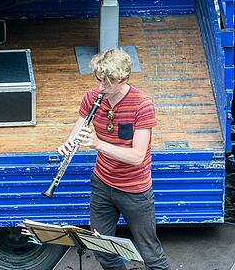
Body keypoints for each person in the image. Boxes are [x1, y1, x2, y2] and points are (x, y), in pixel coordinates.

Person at [58, 49, 170, 270]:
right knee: (101, 248)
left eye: (108, 83)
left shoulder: (142, 104)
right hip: (102, 183)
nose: (101, 88)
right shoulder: (92, 97)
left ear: (124, 78)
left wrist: (98, 144)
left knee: (151, 255)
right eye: (99, 81)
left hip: (134, 190)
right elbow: (77, 131)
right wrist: (68, 144)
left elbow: (137, 157)